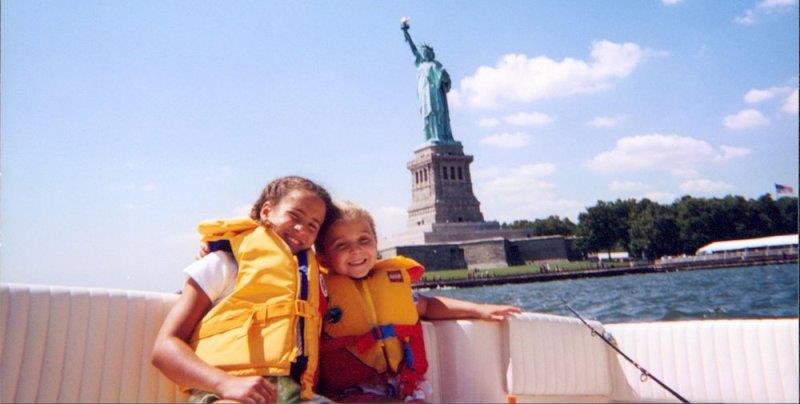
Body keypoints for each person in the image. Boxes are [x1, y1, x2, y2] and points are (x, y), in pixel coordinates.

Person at [151, 176, 337, 403]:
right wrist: (225, 383)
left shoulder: (310, 281)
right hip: (225, 391)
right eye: (294, 216)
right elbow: (163, 349)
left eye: (313, 225)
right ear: (267, 211)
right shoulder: (222, 264)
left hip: (294, 395)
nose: (301, 229)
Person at [314, 201, 521, 402]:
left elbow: (429, 306)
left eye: (364, 240)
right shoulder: (321, 294)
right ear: (323, 258)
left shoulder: (393, 284)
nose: (356, 250)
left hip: (402, 386)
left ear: (377, 243)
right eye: (341, 245)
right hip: (348, 393)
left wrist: (479, 310)